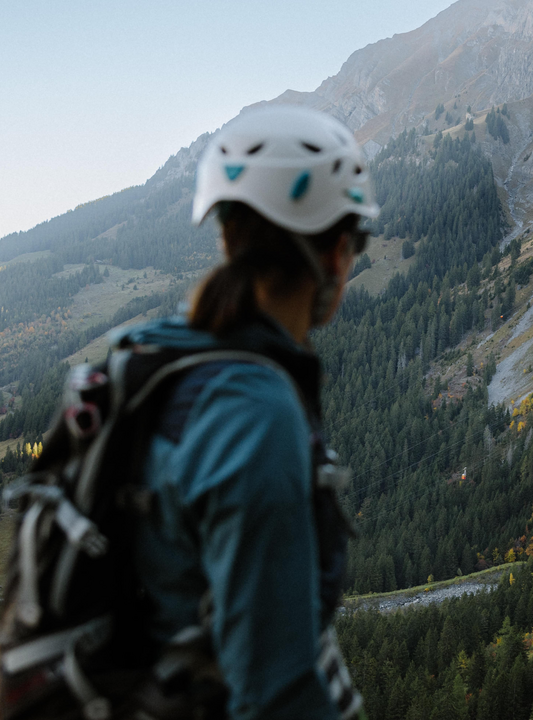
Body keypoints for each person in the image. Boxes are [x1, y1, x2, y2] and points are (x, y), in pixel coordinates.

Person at [121, 105, 377, 719]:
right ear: (338, 254)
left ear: (228, 239)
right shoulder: (254, 414)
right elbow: (277, 693)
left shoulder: (151, 358)